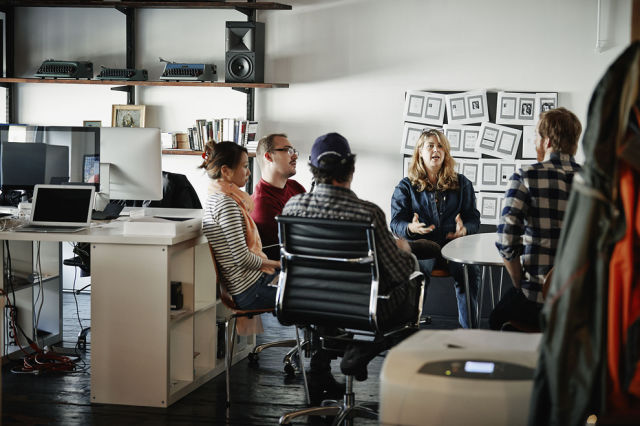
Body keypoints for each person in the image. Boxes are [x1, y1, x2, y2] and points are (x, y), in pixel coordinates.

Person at [282, 132, 420, 400]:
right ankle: (363, 346)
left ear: (313, 169)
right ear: (351, 169)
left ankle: (320, 368)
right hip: (357, 308)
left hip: (306, 303)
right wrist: (405, 252)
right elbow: (398, 271)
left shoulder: (292, 208)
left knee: (326, 288)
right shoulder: (366, 213)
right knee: (412, 282)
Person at [491, 107, 582, 330]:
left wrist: (518, 282)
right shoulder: (596, 181)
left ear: (547, 141)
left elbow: (506, 239)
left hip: (536, 300)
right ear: (575, 144)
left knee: (495, 318)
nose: (535, 142)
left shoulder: (526, 176)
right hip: (582, 302)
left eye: (536, 136)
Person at [390, 129, 481, 328]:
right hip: (423, 249)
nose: (435, 150)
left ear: (446, 153)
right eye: (430, 145)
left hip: (455, 248)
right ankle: (407, 330)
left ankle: (470, 334)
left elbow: (473, 218)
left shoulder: (462, 184)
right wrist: (410, 228)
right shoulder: (406, 187)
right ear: (419, 153)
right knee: (416, 272)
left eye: (440, 146)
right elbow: (395, 222)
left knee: (469, 272)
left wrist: (465, 229)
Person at [199, 141, 280, 310]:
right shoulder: (226, 204)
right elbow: (241, 258)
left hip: (251, 280)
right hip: (249, 290)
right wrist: (277, 265)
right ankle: (326, 334)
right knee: (308, 294)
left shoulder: (216, 197)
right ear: (226, 171)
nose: (249, 172)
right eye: (244, 166)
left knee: (306, 280)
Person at [251, 134, 306, 260]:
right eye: (288, 150)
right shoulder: (262, 204)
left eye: (294, 151)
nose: (295, 156)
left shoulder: (295, 187)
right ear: (268, 156)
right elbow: (292, 249)